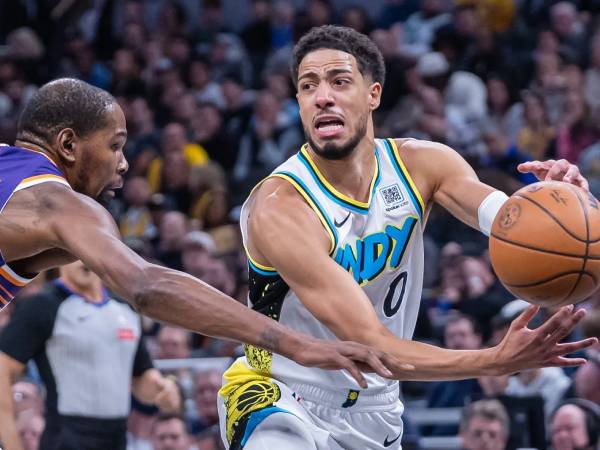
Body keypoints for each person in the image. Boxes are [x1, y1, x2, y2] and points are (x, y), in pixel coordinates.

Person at [216, 25, 596, 450]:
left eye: (340, 81)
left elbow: (507, 221)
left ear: (373, 94)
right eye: (308, 86)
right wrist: (493, 360)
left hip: (376, 407)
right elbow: (374, 346)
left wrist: (563, 204)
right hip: (280, 395)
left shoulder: (423, 164)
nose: (323, 95)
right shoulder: (281, 206)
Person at [0, 77, 401, 394]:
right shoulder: (58, 202)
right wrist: (297, 344)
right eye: (115, 146)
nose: (123, 164)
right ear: (68, 144)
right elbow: (145, 285)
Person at [0, 261, 182, 450]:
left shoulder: (125, 310)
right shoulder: (43, 305)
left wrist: (162, 389)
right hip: (65, 437)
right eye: (75, 250)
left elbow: (141, 377)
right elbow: (3, 370)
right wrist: (12, 444)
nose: (83, 258)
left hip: (117, 438)